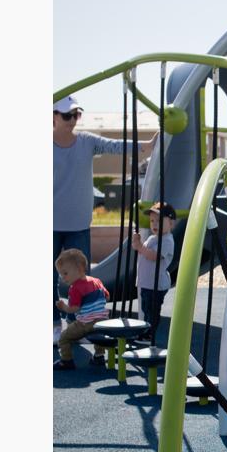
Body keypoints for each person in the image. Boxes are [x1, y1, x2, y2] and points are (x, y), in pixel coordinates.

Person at [54, 94, 141, 325]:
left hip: (79, 223)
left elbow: (115, 146)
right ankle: (53, 321)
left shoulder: (86, 141)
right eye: (67, 115)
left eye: (76, 114)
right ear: (53, 117)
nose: (72, 119)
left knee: (82, 279)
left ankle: (80, 321)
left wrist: (145, 147)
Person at [53, 249, 109, 371]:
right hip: (102, 321)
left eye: (65, 273)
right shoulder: (96, 281)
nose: (63, 277)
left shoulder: (75, 288)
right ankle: (99, 356)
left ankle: (66, 361)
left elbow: (74, 309)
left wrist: (63, 307)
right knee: (97, 333)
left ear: (79, 269)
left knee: (64, 338)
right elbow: (107, 296)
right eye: (61, 274)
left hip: (85, 323)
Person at [129, 202, 174, 346]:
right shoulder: (152, 238)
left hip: (157, 284)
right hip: (147, 282)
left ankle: (149, 335)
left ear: (171, 223)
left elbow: (154, 256)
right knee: (146, 309)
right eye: (152, 221)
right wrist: (137, 243)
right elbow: (144, 251)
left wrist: (140, 247)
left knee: (152, 311)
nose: (155, 224)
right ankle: (145, 332)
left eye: (160, 221)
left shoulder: (167, 240)